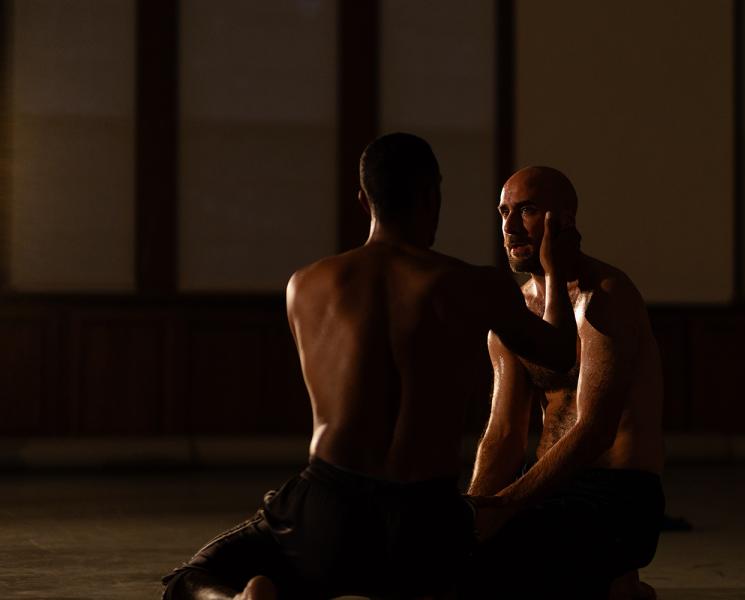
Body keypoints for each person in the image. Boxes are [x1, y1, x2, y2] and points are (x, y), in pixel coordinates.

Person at [160, 134, 580, 600]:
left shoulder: (305, 285)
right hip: (427, 523)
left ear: (364, 199)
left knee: (191, 577)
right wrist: (553, 266)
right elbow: (561, 353)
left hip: (328, 513)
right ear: (432, 195)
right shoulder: (473, 286)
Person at [464, 166, 665, 599]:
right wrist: (476, 510)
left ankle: (617, 584)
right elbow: (502, 434)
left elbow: (595, 431)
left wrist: (506, 509)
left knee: (510, 562)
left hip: (617, 495)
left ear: (565, 221)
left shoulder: (606, 296)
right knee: (454, 557)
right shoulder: (515, 312)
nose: (510, 226)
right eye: (503, 212)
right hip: (547, 489)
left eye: (528, 210)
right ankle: (613, 586)